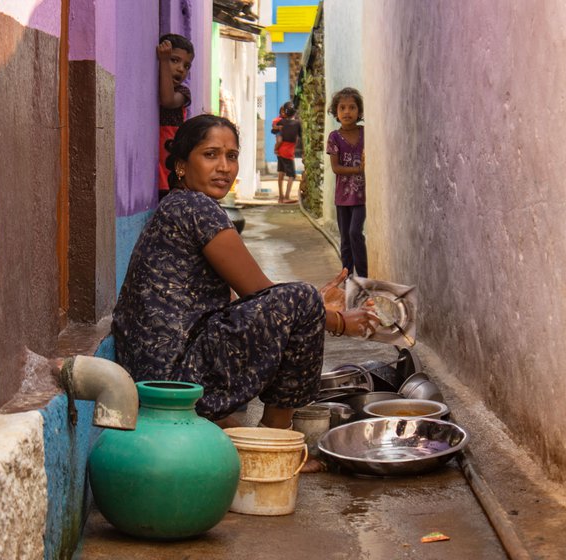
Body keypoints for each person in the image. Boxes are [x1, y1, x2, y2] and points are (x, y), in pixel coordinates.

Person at [111, 115, 379, 470]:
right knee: (299, 300)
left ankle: (240, 433)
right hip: (172, 380)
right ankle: (274, 444)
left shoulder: (175, 207)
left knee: (300, 302)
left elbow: (251, 302)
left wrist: (313, 307)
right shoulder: (196, 208)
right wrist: (338, 321)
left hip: (153, 374)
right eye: (210, 155)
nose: (224, 167)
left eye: (232, 156)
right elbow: (264, 293)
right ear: (180, 166)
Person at [327, 87, 368, 278]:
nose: (347, 112)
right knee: (345, 240)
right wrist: (358, 170)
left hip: (362, 196)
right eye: (342, 108)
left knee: (354, 233)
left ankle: (363, 278)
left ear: (359, 112)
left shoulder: (365, 134)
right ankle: (347, 279)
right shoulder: (334, 137)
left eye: (352, 107)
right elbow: (336, 168)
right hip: (342, 198)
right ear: (336, 112)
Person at [156, 33, 194, 201]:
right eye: (174, 60)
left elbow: (167, 100)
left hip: (169, 171)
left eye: (186, 66)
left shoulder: (183, 93)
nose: (181, 69)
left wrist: (164, 61)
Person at [274, 102, 301, 204]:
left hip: (280, 150)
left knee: (281, 173)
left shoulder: (281, 122)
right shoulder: (297, 123)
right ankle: (286, 196)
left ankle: (280, 198)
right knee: (292, 175)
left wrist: (276, 148)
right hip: (289, 151)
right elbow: (299, 137)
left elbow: (276, 132)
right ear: (294, 113)